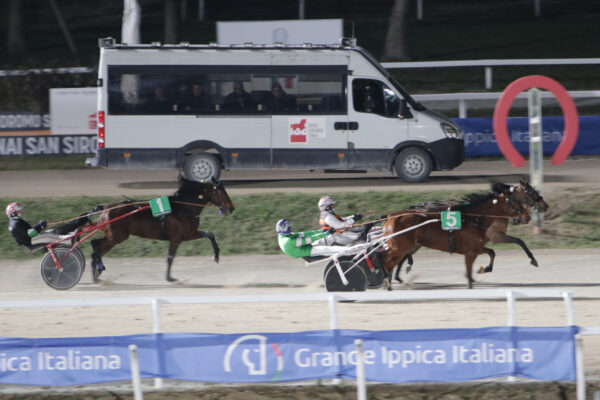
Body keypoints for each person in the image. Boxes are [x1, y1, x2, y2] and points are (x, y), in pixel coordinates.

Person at [6, 202, 93, 249]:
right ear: (13, 213)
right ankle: (70, 239)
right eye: (18, 211)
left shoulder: (15, 222)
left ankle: (69, 237)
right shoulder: (16, 223)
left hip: (30, 240)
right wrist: (40, 226)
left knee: (51, 233)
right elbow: (31, 233)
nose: (20, 212)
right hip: (30, 241)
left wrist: (40, 226)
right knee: (48, 237)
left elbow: (29, 232)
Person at [276, 219, 353, 259]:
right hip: (307, 251)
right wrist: (326, 233)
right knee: (328, 249)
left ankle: (347, 246)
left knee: (329, 238)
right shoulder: (288, 241)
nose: (290, 227)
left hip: (304, 247)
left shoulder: (283, 236)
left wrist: (322, 231)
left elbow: (304, 234)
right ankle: (349, 250)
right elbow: (309, 239)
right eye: (289, 226)